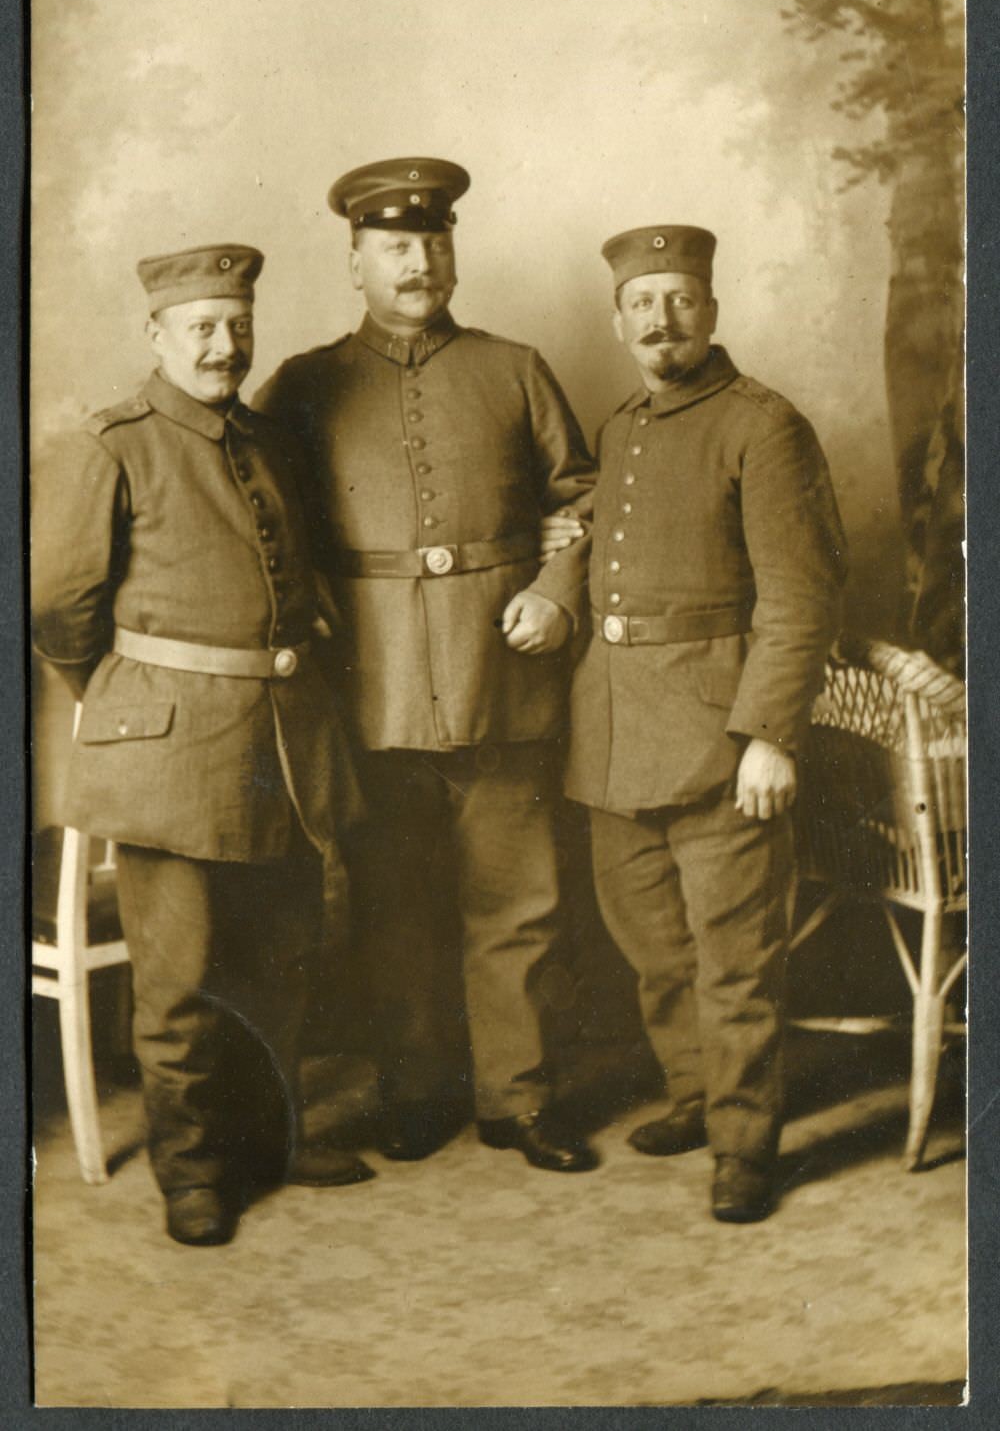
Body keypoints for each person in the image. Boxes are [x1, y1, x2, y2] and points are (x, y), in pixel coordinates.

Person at [255, 158, 599, 1172]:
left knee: (519, 903)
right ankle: (415, 1092)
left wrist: (556, 592)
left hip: (506, 683)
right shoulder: (305, 385)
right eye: (396, 246)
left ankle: (518, 1101)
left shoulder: (515, 368)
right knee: (395, 907)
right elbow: (259, 516)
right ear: (355, 262)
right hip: (375, 689)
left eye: (434, 243)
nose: (419, 263)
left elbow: (584, 501)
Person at [32, 244, 372, 1247]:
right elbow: (57, 605)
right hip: (168, 755)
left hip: (280, 741)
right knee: (179, 979)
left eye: (237, 326)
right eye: (202, 329)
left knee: (281, 954)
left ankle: (271, 1140)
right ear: (157, 335)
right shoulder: (113, 445)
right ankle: (192, 1171)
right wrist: (124, 696)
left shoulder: (265, 439)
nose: (224, 346)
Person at [564, 225, 847, 1221]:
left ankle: (743, 1145)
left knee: (734, 959)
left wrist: (770, 735)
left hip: (721, 735)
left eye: (681, 299)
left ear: (712, 311)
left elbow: (801, 598)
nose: (662, 320)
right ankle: (695, 1095)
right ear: (620, 321)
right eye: (643, 303)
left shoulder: (763, 426)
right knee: (653, 947)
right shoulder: (621, 429)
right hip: (613, 734)